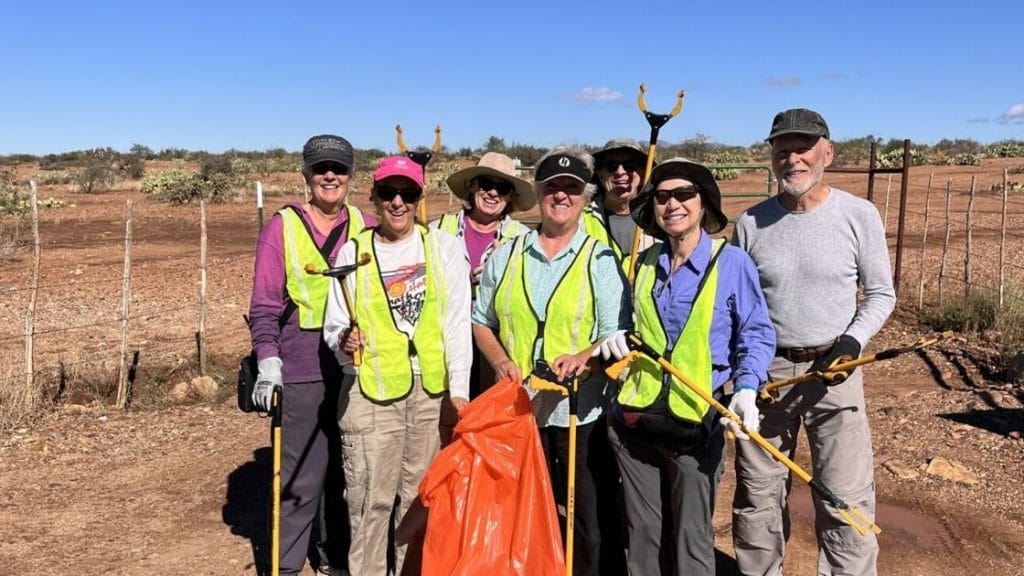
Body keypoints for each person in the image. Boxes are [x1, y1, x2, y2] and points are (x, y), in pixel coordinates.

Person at [730, 108, 896, 576]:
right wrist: (741, 376)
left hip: (835, 373)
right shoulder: (750, 224)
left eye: (803, 148)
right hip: (768, 376)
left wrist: (852, 340)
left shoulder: (857, 215)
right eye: (782, 150)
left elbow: (881, 293)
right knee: (757, 496)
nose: (793, 159)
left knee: (844, 497)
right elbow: (739, 305)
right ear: (771, 158)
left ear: (827, 152)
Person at [596, 158, 776, 575]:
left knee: (692, 539)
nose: (672, 204)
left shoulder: (731, 264)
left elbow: (756, 333)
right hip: (634, 423)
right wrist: (616, 338)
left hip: (696, 424)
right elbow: (626, 327)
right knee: (642, 535)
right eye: (661, 197)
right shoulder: (642, 264)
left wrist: (747, 388)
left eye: (683, 195)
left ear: (703, 204)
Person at [472, 146, 629, 576]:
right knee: (525, 515)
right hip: (520, 412)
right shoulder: (507, 254)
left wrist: (585, 357)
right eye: (553, 187)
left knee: (588, 522)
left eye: (572, 189)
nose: (561, 197)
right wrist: (502, 361)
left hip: (581, 414)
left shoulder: (600, 257)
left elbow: (617, 333)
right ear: (539, 193)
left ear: (586, 197)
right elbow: (480, 320)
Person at [322, 155, 472, 576]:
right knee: (370, 502)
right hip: (370, 395)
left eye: (408, 194)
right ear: (374, 198)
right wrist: (343, 341)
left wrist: (457, 391)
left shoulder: (442, 249)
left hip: (429, 394)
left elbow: (457, 323)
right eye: (389, 193)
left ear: (420, 199)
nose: (398, 203)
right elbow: (336, 325)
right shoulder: (352, 252)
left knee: (420, 501)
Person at [248, 134, 373, 576]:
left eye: (338, 169)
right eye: (321, 169)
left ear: (351, 176)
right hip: (301, 366)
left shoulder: (366, 223)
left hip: (357, 364)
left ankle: (335, 558)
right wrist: (269, 361)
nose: (330, 177)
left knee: (349, 470)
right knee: (301, 473)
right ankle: (286, 566)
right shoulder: (282, 227)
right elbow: (263, 305)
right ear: (306, 175)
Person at [430, 151, 533, 398]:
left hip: (496, 344)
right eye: (486, 184)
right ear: (472, 186)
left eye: (503, 187)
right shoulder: (438, 230)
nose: (493, 193)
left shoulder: (522, 239)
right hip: (445, 340)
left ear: (511, 197)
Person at [584, 138, 657, 269]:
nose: (620, 172)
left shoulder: (658, 219)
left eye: (630, 166)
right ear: (600, 175)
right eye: (612, 167)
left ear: (642, 175)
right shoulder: (581, 221)